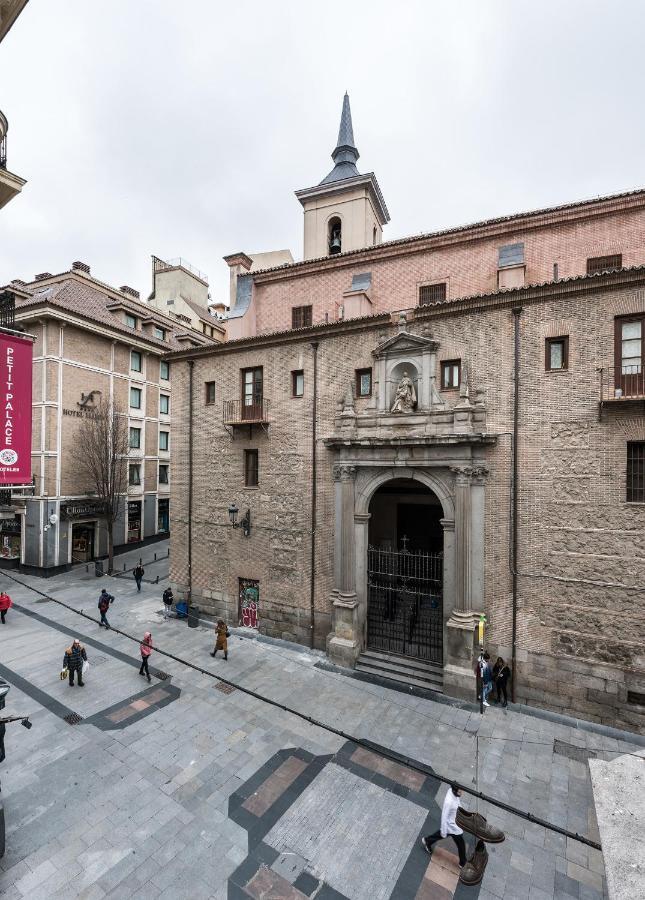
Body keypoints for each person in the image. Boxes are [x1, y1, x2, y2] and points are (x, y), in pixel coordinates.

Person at [421, 783, 467, 868]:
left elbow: (457, 802)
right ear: (454, 791)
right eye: (460, 792)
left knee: (441, 835)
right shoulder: (449, 802)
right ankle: (463, 863)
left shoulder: (453, 793)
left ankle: (427, 841)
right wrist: (443, 830)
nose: (461, 794)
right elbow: (444, 816)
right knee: (461, 844)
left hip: (453, 824)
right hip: (452, 826)